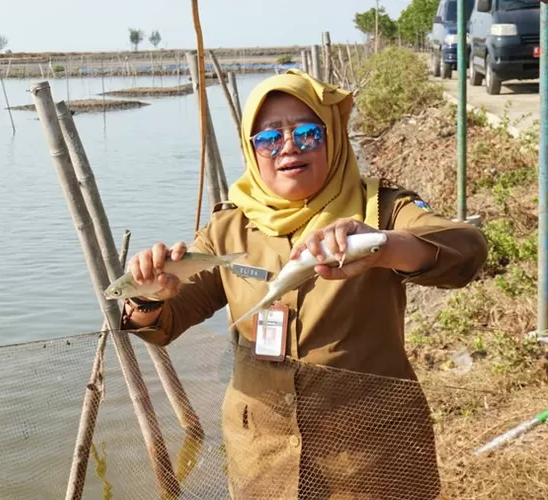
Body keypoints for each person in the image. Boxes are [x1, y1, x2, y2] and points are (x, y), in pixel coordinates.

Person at [120, 69, 488, 499]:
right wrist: (149, 293)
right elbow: (166, 322)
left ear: (331, 138)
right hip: (262, 455)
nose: (288, 147)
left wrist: (382, 247)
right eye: (269, 138)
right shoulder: (227, 228)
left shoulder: (381, 209)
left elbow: (466, 250)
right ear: (251, 149)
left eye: (307, 133)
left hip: (371, 455)